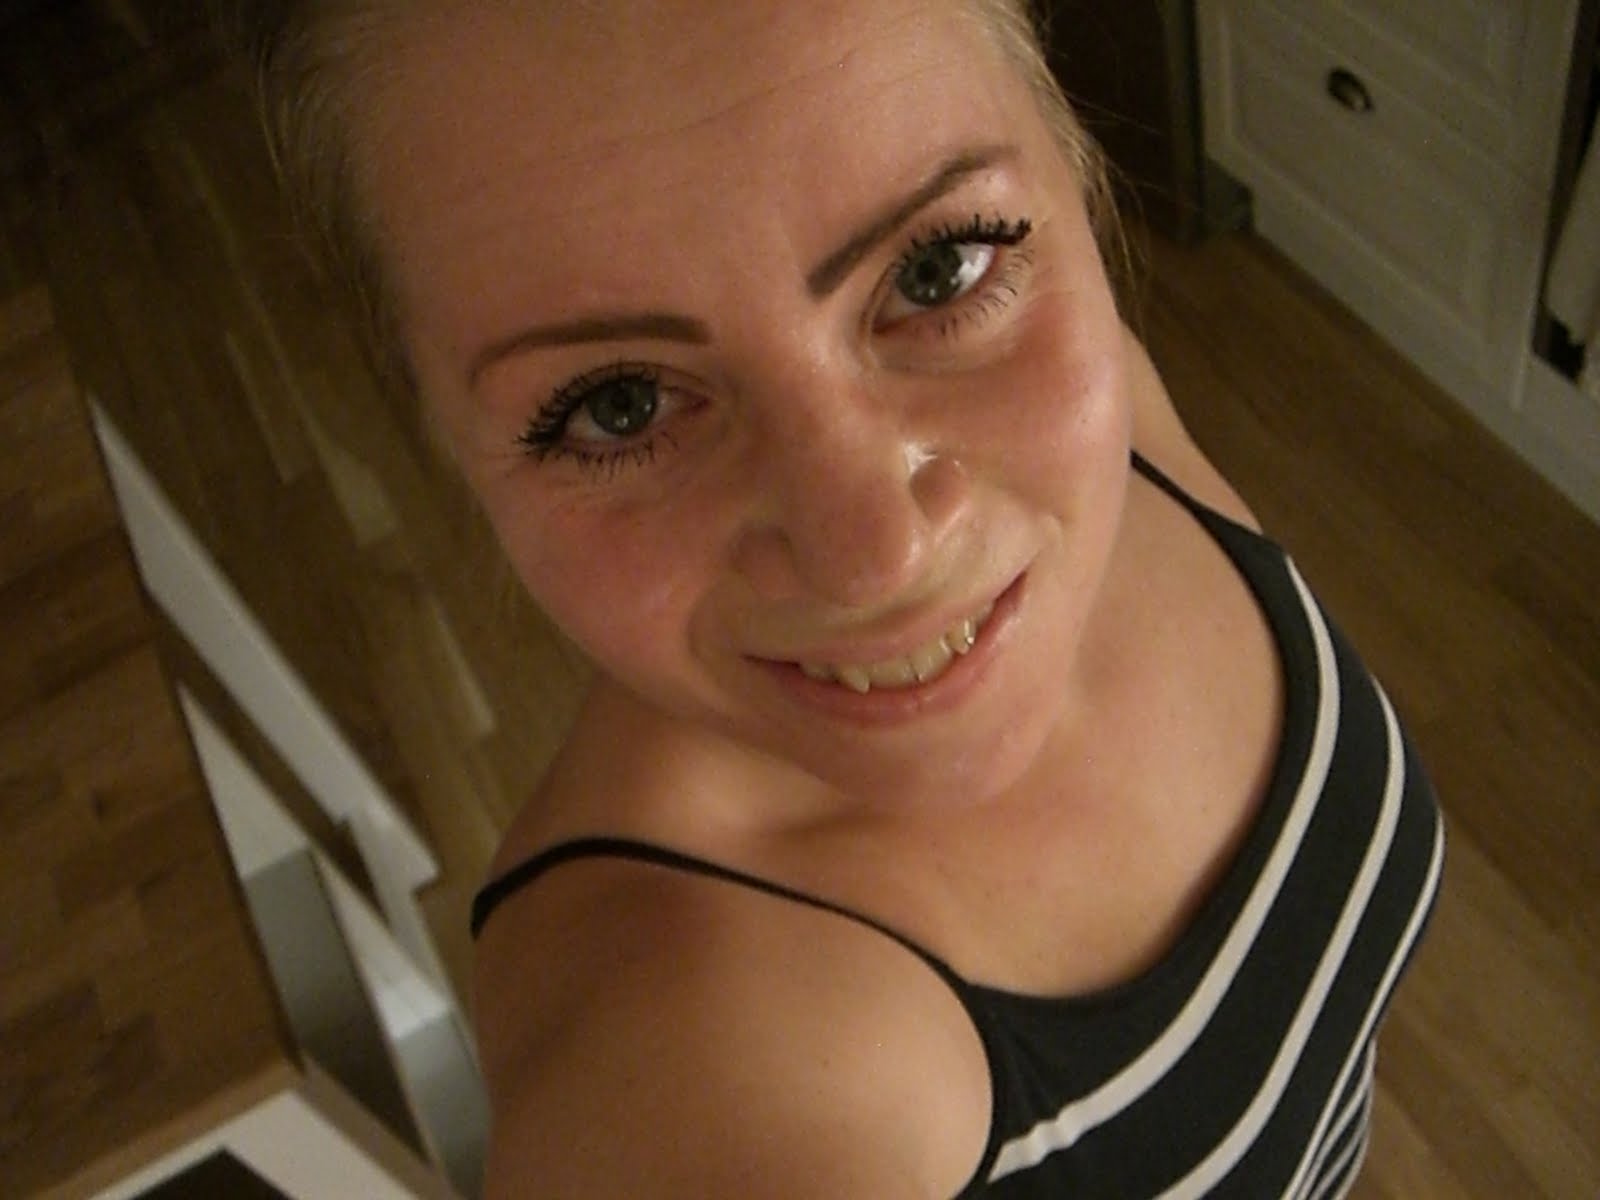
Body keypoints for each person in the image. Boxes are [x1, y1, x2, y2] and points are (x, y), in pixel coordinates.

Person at [232, 1, 1444, 1195]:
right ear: (445, 447)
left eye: (934, 268)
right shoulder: (679, 1064)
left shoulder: (1104, 401)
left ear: (1071, 165)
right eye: (620, 405)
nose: (877, 556)